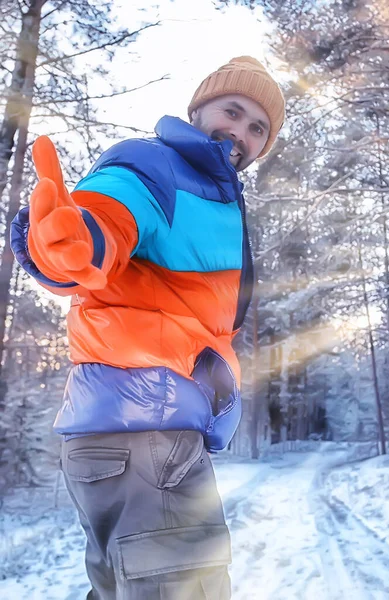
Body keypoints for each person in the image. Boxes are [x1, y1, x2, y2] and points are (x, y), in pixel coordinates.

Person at [10, 56, 285, 600]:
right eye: (232, 112)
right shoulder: (156, 166)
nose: (242, 134)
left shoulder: (213, 193)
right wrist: (72, 240)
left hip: (121, 438)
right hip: (148, 437)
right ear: (199, 108)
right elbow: (105, 222)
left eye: (259, 128)